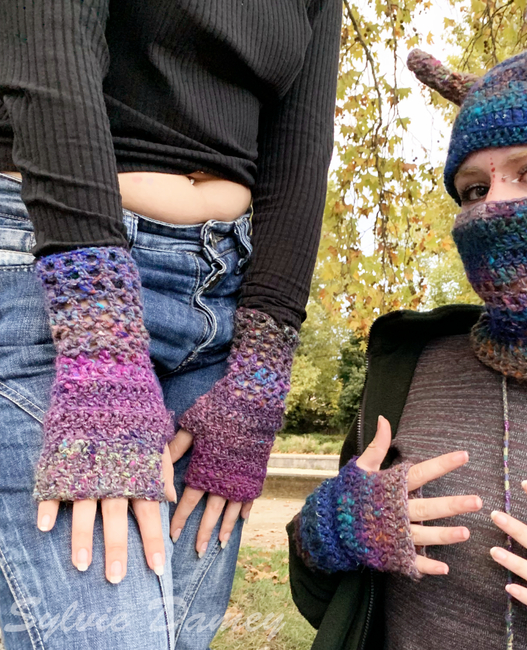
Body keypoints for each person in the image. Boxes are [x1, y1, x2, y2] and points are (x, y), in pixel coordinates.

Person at [286, 1, 527, 649]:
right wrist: (327, 534)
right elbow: (327, 602)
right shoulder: (407, 371)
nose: (494, 206)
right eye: (474, 188)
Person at [0, 0, 342, 648]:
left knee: (183, 637)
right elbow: (48, 45)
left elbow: (301, 147)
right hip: (59, 272)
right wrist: (101, 336)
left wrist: (261, 374)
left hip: (225, 308)